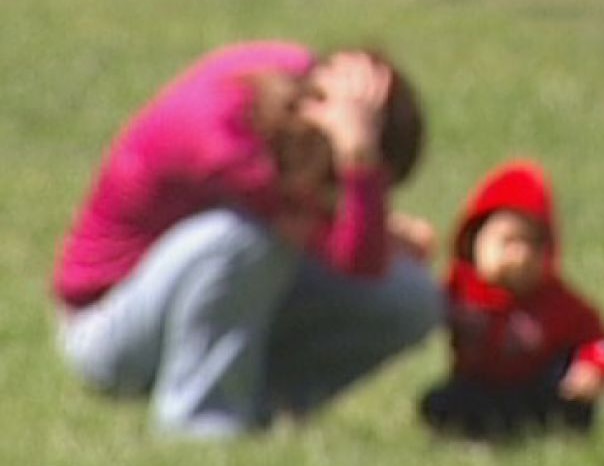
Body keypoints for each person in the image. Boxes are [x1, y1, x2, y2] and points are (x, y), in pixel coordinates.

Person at [52, 40, 440, 438]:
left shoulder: (292, 86)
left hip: (209, 295)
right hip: (108, 329)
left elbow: (363, 265)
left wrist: (365, 196)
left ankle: (257, 415)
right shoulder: (225, 143)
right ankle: (200, 430)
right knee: (241, 239)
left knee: (412, 297)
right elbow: (353, 255)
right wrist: (358, 159)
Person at [419, 159, 604, 438]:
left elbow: (602, 341)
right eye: (508, 241)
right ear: (475, 241)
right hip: (478, 385)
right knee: (440, 404)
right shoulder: (459, 290)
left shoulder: (557, 300)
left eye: (533, 244)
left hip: (535, 387)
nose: (521, 256)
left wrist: (593, 369)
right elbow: (420, 312)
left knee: (573, 407)